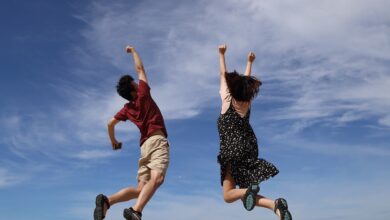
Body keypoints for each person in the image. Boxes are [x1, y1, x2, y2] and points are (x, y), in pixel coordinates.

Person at [94, 45, 170, 220]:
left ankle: (108, 201)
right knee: (157, 179)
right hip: (157, 141)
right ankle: (136, 211)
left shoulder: (127, 108)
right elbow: (140, 69)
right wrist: (133, 51)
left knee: (140, 189)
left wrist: (114, 141)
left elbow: (110, 124)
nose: (137, 82)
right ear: (134, 89)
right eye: (135, 83)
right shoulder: (143, 94)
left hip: (144, 147)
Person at [217, 44, 292, 219]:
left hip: (231, 149)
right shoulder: (246, 103)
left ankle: (250, 191)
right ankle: (276, 206)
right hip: (248, 148)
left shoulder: (227, 98)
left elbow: (222, 73)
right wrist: (249, 62)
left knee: (228, 196)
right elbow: (245, 82)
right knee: (244, 195)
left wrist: (221, 54)